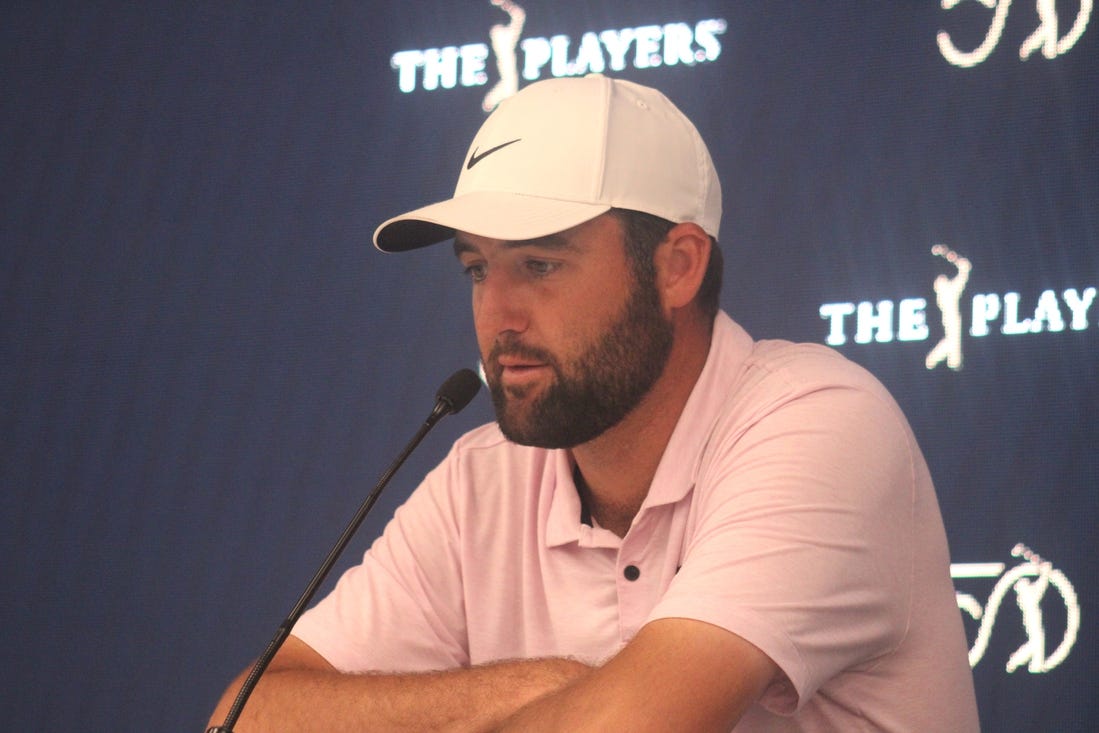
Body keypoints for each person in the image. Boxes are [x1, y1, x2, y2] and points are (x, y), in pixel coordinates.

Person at [209, 74, 980, 731]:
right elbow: (246, 716)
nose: (496, 314)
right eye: (478, 269)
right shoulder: (480, 481)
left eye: (540, 264)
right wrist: (522, 685)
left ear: (676, 267)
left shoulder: (819, 423)